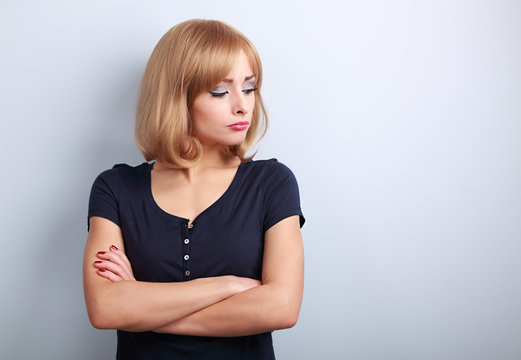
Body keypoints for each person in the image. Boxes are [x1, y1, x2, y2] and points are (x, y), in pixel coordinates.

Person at [83, 19, 306, 360]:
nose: (242, 105)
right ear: (176, 97)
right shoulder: (115, 189)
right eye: (220, 91)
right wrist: (227, 286)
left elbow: (281, 308)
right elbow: (104, 309)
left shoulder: (272, 183)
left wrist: (141, 306)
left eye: (249, 87)